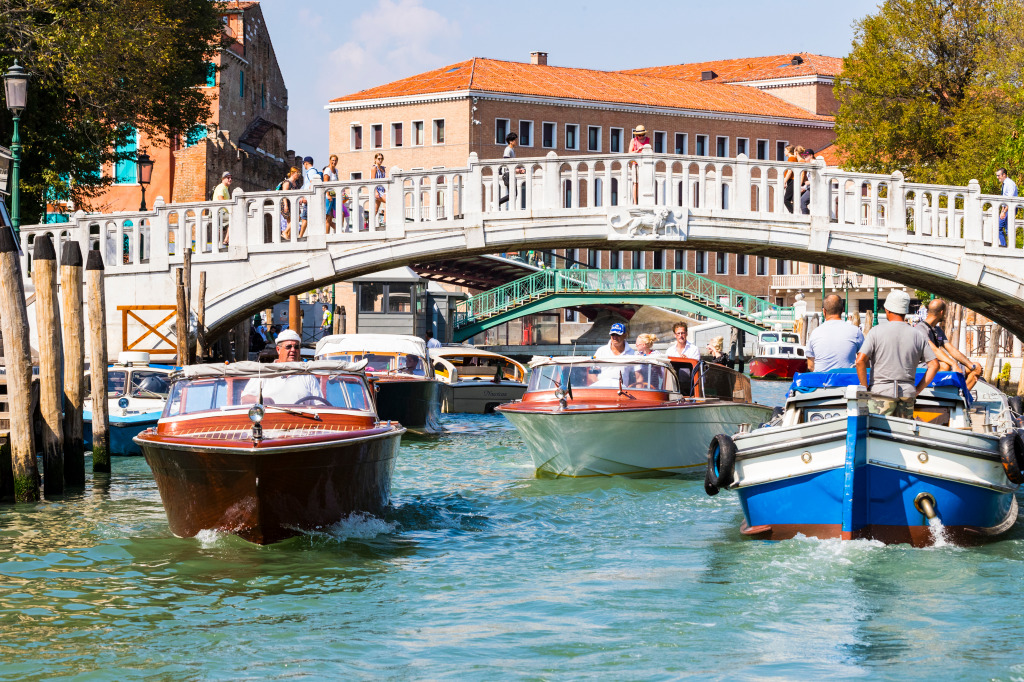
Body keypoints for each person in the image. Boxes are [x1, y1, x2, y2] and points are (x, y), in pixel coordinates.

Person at [855, 290, 938, 418]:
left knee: (878, 432)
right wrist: (918, 390)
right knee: (904, 434)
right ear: (905, 312)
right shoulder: (918, 335)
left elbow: (860, 360)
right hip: (907, 393)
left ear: (887, 310)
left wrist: (865, 389)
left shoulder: (876, 332)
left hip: (880, 393)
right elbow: (934, 365)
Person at [914, 299, 982, 389]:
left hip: (937, 364)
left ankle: (961, 395)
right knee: (944, 366)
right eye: (946, 313)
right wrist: (954, 364)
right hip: (922, 366)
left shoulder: (938, 330)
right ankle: (943, 394)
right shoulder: (920, 329)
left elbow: (951, 349)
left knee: (977, 367)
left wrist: (970, 364)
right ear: (942, 312)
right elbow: (934, 350)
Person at [240, 330, 322, 405]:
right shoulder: (264, 373)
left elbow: (320, 404)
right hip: (270, 419)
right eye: (288, 347)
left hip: (301, 420)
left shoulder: (308, 376)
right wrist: (258, 399)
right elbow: (244, 400)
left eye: (296, 347)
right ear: (278, 349)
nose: (293, 350)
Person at [806, 294, 864, 371]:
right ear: (842, 310)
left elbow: (810, 366)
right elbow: (863, 361)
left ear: (824, 311)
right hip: (847, 381)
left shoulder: (815, 333)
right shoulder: (856, 331)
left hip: (822, 381)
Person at [498, 132, 522, 206]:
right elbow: (506, 164)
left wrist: (519, 169)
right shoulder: (508, 150)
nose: (516, 142)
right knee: (513, 194)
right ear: (510, 141)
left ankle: (497, 203)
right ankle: (496, 203)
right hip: (508, 174)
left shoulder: (512, 150)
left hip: (511, 174)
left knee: (514, 194)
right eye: (515, 140)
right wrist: (516, 170)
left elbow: (512, 164)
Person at [629, 125, 651, 203]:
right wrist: (637, 150)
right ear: (636, 135)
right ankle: (635, 202)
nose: (641, 137)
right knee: (636, 183)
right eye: (639, 135)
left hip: (645, 164)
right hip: (636, 164)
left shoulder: (648, 140)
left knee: (645, 183)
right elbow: (630, 153)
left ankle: (643, 200)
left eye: (642, 135)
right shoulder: (633, 141)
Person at [996, 168, 1018, 247]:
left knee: (1005, 227)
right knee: (1000, 227)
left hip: (1010, 208)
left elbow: (1010, 199)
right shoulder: (1004, 184)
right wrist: (1002, 211)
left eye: (998, 175)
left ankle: (1009, 246)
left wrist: (1004, 212)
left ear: (1004, 175)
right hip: (1006, 208)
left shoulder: (1009, 183)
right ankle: (1004, 245)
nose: (997, 177)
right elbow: (1004, 199)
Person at [278, 166, 301, 240]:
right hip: (287, 203)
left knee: (290, 221)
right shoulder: (287, 182)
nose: (298, 175)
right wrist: (285, 205)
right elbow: (284, 194)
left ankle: (288, 235)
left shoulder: (295, 183)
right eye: (297, 173)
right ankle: (285, 232)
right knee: (295, 219)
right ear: (293, 173)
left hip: (293, 204)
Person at [323, 155, 339, 233]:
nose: (334, 162)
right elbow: (326, 183)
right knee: (328, 217)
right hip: (328, 196)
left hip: (334, 195)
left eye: (335, 160)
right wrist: (328, 194)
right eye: (333, 160)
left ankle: (338, 230)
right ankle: (327, 234)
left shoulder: (336, 171)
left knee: (332, 216)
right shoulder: (327, 170)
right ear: (329, 160)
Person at [372, 153, 387, 226]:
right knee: (389, 201)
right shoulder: (374, 168)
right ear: (375, 159)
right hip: (377, 190)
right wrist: (375, 191)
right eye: (379, 159)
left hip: (382, 190)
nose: (380, 160)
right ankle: (384, 221)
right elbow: (372, 180)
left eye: (381, 159)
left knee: (375, 210)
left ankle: (368, 224)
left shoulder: (383, 168)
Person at [799, 148, 815, 214]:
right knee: (801, 201)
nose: (805, 158)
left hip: (814, 188)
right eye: (804, 156)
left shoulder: (815, 164)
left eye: (806, 156)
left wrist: (809, 182)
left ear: (811, 156)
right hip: (810, 188)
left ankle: (806, 217)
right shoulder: (810, 165)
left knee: (802, 201)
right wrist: (804, 187)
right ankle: (807, 215)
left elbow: (818, 179)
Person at [782, 144, 797, 213]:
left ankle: (793, 213)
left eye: (785, 150)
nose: (784, 152)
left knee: (786, 200)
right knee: (792, 199)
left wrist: (784, 181)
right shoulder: (794, 158)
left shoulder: (791, 159)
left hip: (792, 180)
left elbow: (790, 171)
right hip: (792, 180)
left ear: (788, 150)